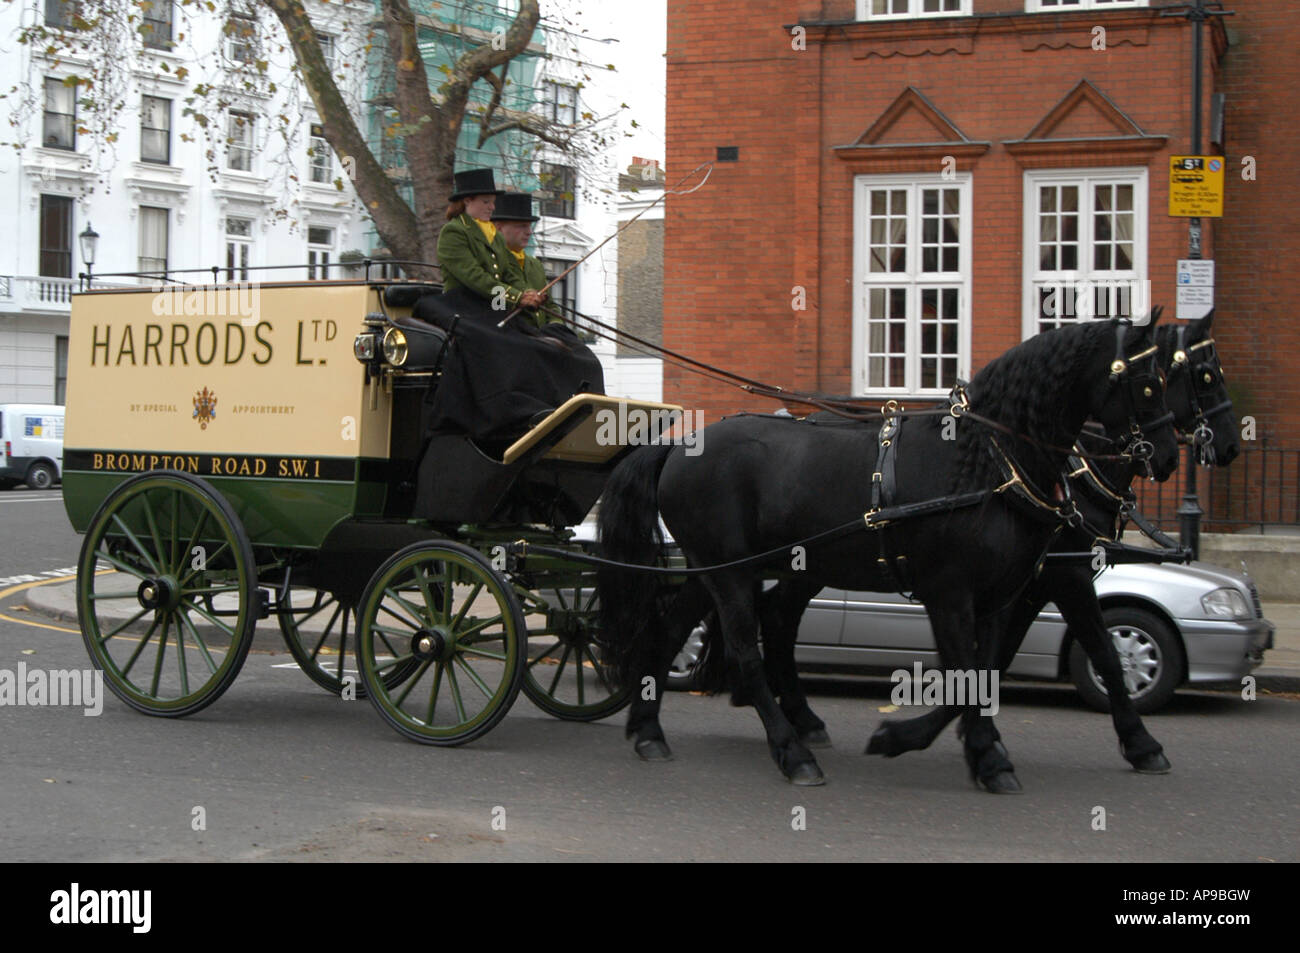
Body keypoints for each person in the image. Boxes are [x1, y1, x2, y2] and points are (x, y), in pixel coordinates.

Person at [436, 168, 545, 312]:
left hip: (494, 309)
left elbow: (508, 274)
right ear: (468, 200)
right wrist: (517, 296)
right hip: (464, 311)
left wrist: (529, 293)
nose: (492, 207)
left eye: (493, 202)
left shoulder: (495, 235)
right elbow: (475, 277)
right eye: (486, 202)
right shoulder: (454, 232)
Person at [491, 191, 566, 329]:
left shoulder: (535, 264)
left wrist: (556, 326)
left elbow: (550, 306)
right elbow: (496, 306)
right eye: (522, 226)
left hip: (542, 336)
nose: (529, 232)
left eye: (529, 226)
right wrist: (520, 299)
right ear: (499, 227)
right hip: (512, 335)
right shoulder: (492, 261)